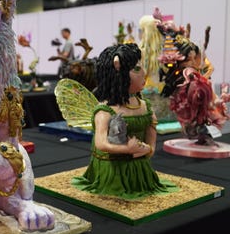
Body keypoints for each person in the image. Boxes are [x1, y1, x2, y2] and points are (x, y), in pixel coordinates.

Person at [71, 43, 179, 200]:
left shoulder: (144, 106)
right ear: (117, 74)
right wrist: (126, 149)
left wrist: (149, 149)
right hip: (113, 172)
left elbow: (151, 131)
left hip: (141, 171)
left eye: (141, 67)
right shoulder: (105, 112)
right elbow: (101, 143)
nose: (143, 73)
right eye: (136, 69)